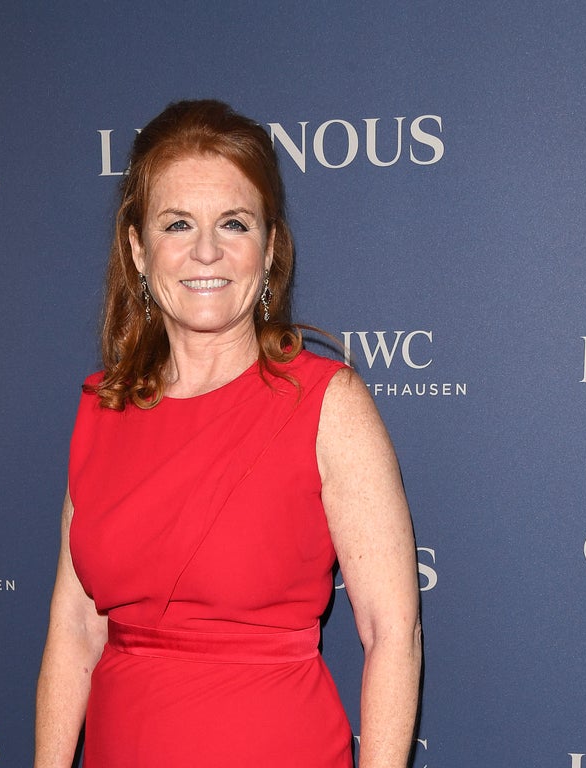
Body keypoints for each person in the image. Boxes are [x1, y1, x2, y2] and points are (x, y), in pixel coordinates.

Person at [35, 99, 421, 768]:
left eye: (234, 223)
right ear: (138, 249)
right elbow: (74, 628)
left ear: (269, 250)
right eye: (177, 223)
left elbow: (393, 633)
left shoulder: (326, 403)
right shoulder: (102, 407)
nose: (206, 251)